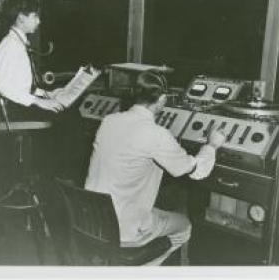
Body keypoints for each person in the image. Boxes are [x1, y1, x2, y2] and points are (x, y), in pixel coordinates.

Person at [85, 70, 226, 266]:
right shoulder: (156, 134)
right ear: (161, 99)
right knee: (184, 227)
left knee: (162, 207)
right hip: (124, 229)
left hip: (92, 219)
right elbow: (196, 172)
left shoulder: (109, 121)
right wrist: (212, 145)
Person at [0, 0, 85, 184]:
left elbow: (21, 85)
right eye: (35, 16)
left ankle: (55, 173)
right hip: (11, 110)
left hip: (16, 104)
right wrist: (39, 102)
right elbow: (4, 86)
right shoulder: (11, 46)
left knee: (66, 111)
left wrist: (47, 94)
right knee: (67, 117)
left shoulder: (17, 42)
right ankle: (60, 177)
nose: (39, 21)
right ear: (21, 17)